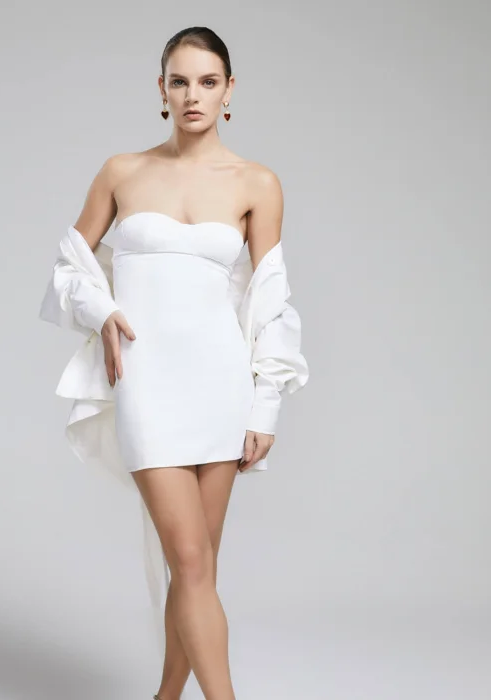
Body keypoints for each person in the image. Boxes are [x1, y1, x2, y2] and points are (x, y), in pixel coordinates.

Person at [40, 26, 309, 700]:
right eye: (180, 81)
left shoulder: (257, 183)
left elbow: (271, 300)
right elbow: (69, 268)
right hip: (146, 382)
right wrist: (102, 311)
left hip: (222, 384)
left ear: (229, 90)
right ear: (161, 90)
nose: (193, 95)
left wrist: (265, 405)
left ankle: (166, 698)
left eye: (208, 82)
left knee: (198, 570)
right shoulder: (122, 171)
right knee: (188, 560)